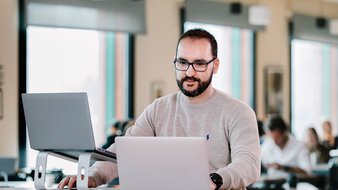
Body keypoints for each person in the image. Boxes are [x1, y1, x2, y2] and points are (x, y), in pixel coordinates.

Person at [58, 28, 260, 190]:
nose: (189, 72)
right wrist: (92, 176)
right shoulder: (159, 109)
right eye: (182, 62)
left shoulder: (238, 112)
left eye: (199, 64)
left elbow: (248, 164)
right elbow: (124, 152)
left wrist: (214, 180)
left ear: (215, 65)